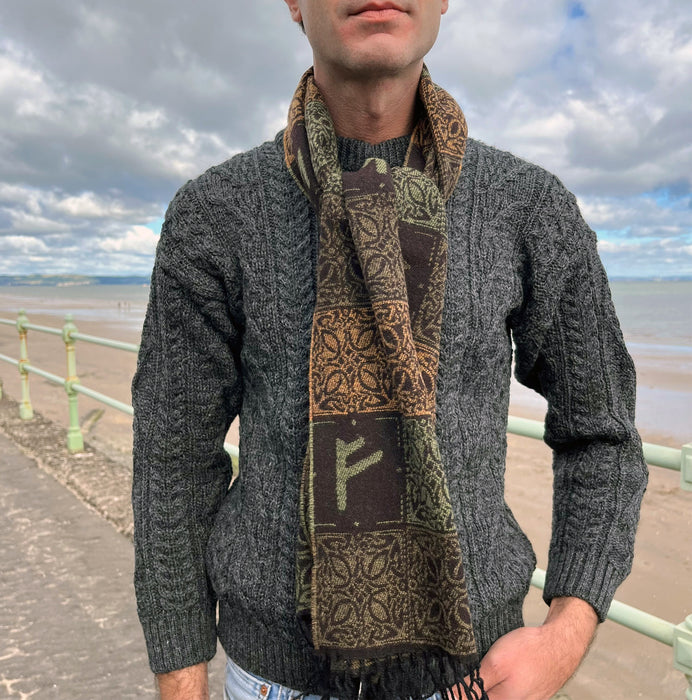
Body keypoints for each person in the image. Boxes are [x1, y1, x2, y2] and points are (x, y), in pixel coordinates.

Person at [131, 1, 648, 699]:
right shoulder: (217, 214)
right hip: (270, 680)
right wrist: (182, 682)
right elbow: (172, 460)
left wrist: (564, 635)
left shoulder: (528, 208)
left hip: (475, 675)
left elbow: (603, 434)